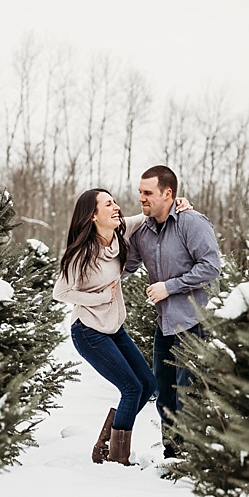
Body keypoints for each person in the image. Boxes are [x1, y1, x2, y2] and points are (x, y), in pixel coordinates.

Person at [126, 164, 222, 456]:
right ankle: (172, 454)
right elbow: (126, 266)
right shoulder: (143, 231)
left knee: (188, 394)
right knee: (164, 394)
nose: (141, 198)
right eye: (140, 192)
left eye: (148, 193)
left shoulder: (191, 223)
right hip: (165, 324)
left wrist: (169, 287)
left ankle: (190, 458)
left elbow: (211, 266)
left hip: (195, 321)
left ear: (168, 193)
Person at [58, 186, 155, 470]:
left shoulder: (119, 232)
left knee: (147, 384)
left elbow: (147, 216)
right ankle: (117, 458)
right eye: (108, 204)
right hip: (88, 332)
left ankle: (106, 443)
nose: (116, 208)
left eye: (115, 203)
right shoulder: (80, 254)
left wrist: (180, 205)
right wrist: (99, 297)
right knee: (131, 388)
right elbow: (61, 293)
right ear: (92, 215)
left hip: (114, 327)